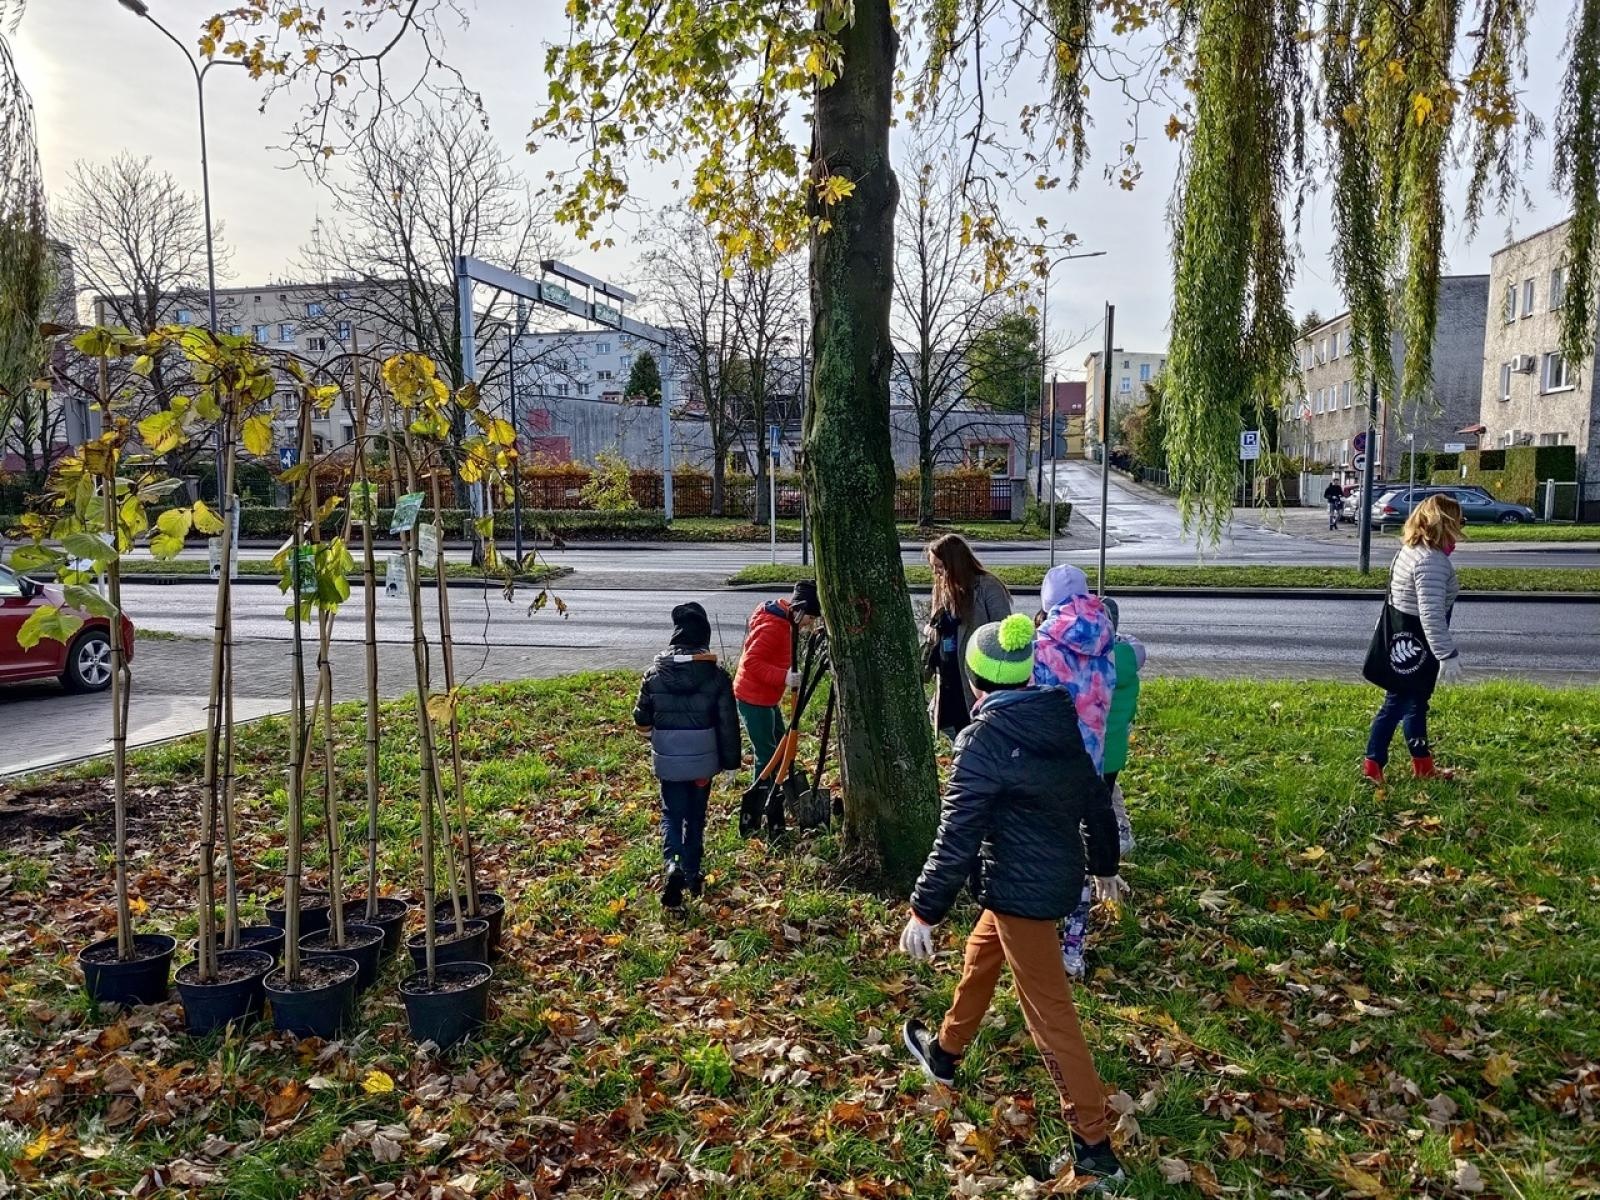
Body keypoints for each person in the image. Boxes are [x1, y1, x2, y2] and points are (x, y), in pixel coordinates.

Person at [898, 614, 1127, 1190]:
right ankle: (946, 1053)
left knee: (1051, 1017)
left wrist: (925, 908)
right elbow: (1095, 798)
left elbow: (957, 834)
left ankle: (1094, 1143)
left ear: (976, 683)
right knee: (981, 956)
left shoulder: (984, 740)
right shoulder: (1058, 718)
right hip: (1036, 882)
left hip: (1024, 893)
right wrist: (1104, 866)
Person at [1032, 565, 1119, 979]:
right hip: (1090, 766)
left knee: (1044, 853)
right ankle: (1073, 947)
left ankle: (1039, 937)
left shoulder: (1041, 646)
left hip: (1047, 765)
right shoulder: (1106, 640)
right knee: (1080, 856)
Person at [633, 602, 743, 908]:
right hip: (702, 763)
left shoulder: (653, 674)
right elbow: (728, 725)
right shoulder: (717, 677)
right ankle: (693, 873)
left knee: (671, 812)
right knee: (696, 816)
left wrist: (652, 737)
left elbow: (642, 719)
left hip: (668, 759)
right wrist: (731, 763)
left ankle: (674, 863)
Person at [1364, 494, 1465, 783]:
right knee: (1397, 702)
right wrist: (1447, 654)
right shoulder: (1431, 561)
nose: (1461, 527)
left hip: (1404, 639)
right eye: (1458, 521)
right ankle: (1373, 763)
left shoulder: (1411, 549)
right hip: (1418, 645)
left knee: (1416, 702)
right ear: (1444, 523)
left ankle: (1423, 764)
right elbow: (1431, 614)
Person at [924, 534, 1013, 738]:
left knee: (977, 732)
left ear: (955, 563)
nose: (936, 572)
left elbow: (1003, 632)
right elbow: (934, 625)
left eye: (940, 566)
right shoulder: (941, 587)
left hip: (977, 678)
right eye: (933, 567)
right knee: (953, 731)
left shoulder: (987, 587)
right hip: (948, 679)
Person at [734, 580, 822, 784]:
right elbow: (752, 662)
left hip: (768, 697)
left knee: (782, 746)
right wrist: (784, 676)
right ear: (798, 610)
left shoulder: (787, 622)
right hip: (753, 698)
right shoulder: (773, 626)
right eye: (810, 617)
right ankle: (760, 798)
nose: (810, 623)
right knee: (766, 755)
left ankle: (778, 787)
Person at [1100, 597, 1143, 856]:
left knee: (1099, 797)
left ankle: (1111, 837)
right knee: (1108, 788)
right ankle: (1121, 829)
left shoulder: (1093, 662)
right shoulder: (1128, 660)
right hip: (1115, 744)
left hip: (1093, 743)